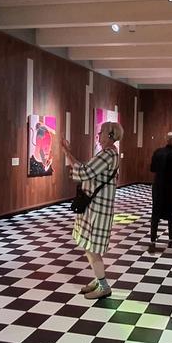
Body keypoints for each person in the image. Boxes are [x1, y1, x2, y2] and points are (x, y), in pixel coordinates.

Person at [61, 121, 123, 300]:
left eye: (101, 132)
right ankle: (98, 279)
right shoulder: (109, 153)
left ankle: (104, 286)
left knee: (92, 248)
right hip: (95, 207)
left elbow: (84, 172)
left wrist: (67, 152)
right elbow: (86, 171)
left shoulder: (108, 154)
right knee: (89, 247)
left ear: (110, 135)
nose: (98, 134)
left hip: (98, 209)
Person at [149, 132, 172, 252]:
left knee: (155, 213)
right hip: (171, 186)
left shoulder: (157, 152)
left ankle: (153, 241)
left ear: (166, 139)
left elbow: (152, 168)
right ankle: (170, 240)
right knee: (171, 214)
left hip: (158, 185)